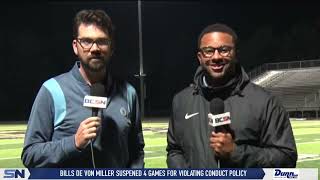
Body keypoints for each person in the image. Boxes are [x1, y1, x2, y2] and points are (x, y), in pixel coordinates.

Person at [21, 9, 144, 168]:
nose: (95, 48)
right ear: (75, 46)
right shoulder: (52, 90)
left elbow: (136, 150)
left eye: (102, 41)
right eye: (86, 41)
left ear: (111, 47)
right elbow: (30, 154)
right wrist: (74, 143)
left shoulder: (128, 93)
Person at [166, 23, 297, 168]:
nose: (216, 57)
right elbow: (175, 150)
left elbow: (287, 158)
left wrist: (236, 153)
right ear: (200, 57)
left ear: (236, 54)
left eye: (224, 50)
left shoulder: (265, 102)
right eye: (209, 51)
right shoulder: (181, 101)